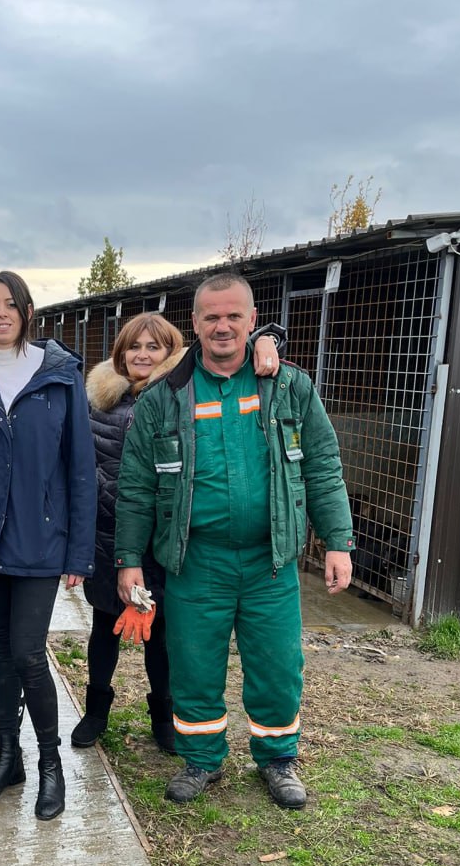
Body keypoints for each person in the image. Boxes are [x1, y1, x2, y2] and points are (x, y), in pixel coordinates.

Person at [115, 274, 354, 810]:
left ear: (252, 320)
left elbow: (322, 464)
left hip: (271, 560)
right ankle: (203, 760)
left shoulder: (288, 385)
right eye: (210, 317)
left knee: (276, 663)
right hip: (196, 562)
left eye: (233, 316)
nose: (222, 326)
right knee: (194, 663)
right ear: (194, 324)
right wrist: (129, 559)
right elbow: (136, 486)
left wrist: (338, 540)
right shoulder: (164, 396)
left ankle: (277, 758)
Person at [73, 314, 283, 751]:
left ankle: (163, 715)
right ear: (121, 352)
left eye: (154, 347)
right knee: (104, 628)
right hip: (109, 536)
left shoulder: (181, 398)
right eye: (135, 346)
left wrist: (266, 339)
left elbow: (238, 345)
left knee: (162, 635)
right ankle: (96, 711)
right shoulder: (98, 403)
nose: (143, 355)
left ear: (171, 353)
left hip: (166, 538)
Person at [0, 270, 97, 821]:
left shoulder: (59, 376)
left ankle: (50, 765)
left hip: (40, 541)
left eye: (10, 304)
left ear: (28, 310)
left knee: (28, 652)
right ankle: (7, 757)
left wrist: (78, 553)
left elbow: (80, 468)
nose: (0, 314)